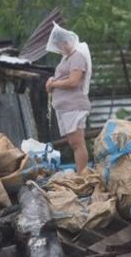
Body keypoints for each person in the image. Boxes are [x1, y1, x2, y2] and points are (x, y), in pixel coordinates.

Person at [45, 23, 92, 173]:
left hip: (74, 106)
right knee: (73, 143)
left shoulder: (78, 56)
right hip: (65, 107)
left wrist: (55, 84)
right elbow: (61, 76)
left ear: (66, 42)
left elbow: (73, 81)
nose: (60, 49)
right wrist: (51, 81)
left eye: (60, 45)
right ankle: (81, 173)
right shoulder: (66, 58)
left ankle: (82, 174)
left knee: (78, 143)